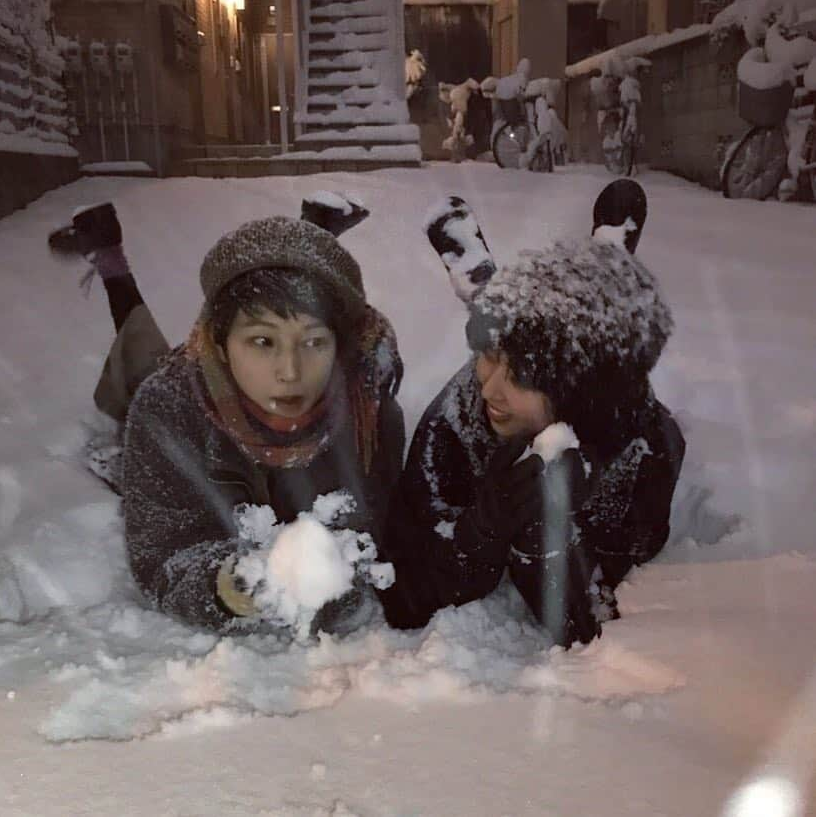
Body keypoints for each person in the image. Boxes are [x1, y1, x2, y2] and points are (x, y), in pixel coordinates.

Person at [49, 201, 404, 636]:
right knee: (138, 357)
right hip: (182, 389)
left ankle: (309, 234)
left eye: (314, 342)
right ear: (218, 343)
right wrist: (235, 584)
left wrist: (338, 566)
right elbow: (163, 557)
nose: (289, 372)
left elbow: (372, 532)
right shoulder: (167, 405)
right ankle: (109, 258)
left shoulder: (367, 408)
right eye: (261, 342)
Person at [377, 203, 684, 648]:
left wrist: (546, 538)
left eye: (520, 376)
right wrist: (485, 526)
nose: (489, 390)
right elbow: (408, 599)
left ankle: (608, 259)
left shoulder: (646, 450)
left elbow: (591, 622)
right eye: (488, 357)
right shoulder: (454, 427)